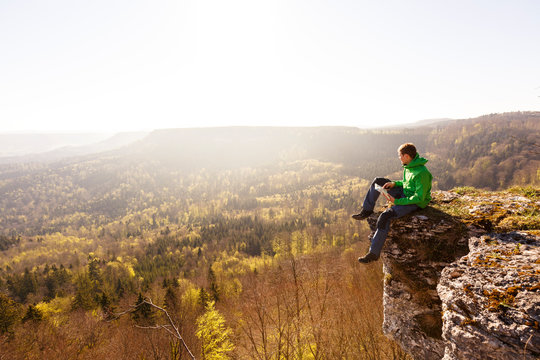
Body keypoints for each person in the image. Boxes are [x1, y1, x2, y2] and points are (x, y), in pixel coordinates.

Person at [352, 143, 432, 263]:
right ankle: (367, 210)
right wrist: (394, 183)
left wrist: (397, 201)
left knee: (385, 216)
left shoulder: (422, 173)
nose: (399, 158)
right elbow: (407, 183)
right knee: (377, 181)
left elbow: (419, 198)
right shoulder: (409, 166)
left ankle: (373, 253)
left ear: (406, 156)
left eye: (400, 156)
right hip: (405, 194)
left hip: (414, 203)